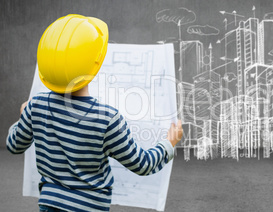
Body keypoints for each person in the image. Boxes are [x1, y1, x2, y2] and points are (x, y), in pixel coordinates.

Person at [6, 14, 183, 212]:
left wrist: (24, 115)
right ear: (95, 65)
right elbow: (142, 164)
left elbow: (14, 145)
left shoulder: (35, 105)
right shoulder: (107, 119)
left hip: (49, 205)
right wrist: (169, 143)